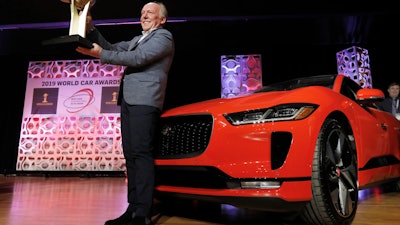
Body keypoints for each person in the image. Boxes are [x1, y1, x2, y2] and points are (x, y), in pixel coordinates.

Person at [75, 1, 175, 225]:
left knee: (141, 154)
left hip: (145, 101)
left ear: (162, 19)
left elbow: (137, 59)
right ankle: (133, 209)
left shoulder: (163, 37)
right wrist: (91, 29)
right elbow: (110, 47)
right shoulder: (136, 40)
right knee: (131, 155)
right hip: (130, 101)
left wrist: (102, 54)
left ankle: (143, 213)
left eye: (150, 12)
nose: (144, 16)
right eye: (142, 13)